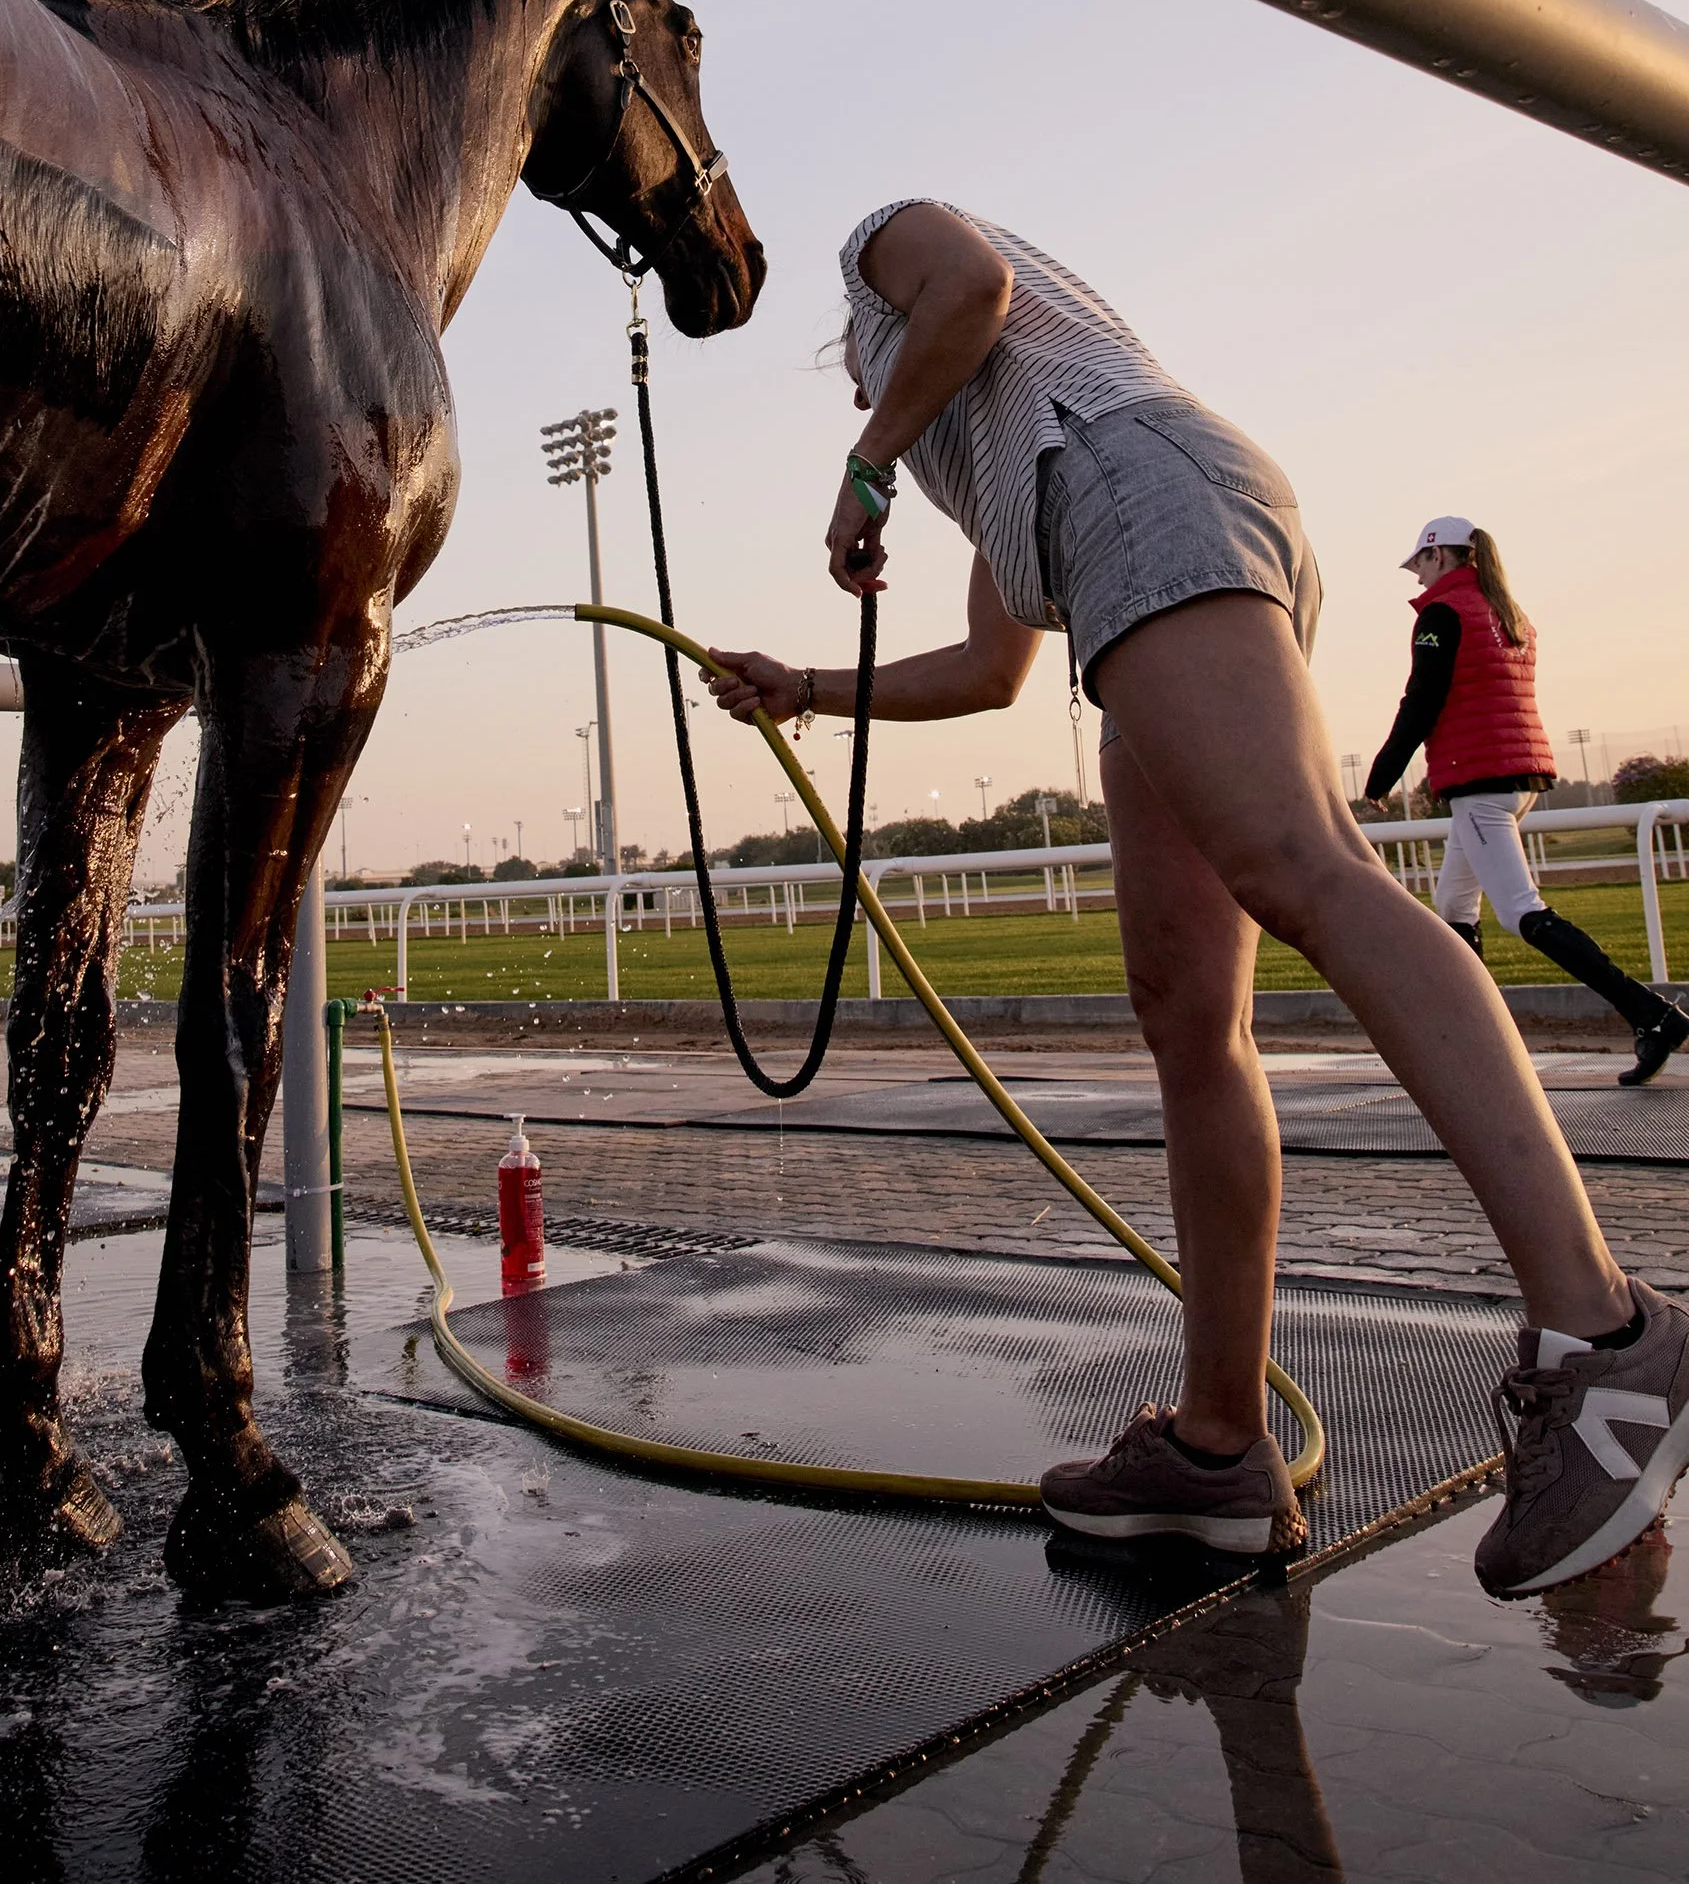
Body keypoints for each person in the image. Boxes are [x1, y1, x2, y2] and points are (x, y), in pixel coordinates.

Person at [703, 198, 1689, 1595]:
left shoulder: (889, 250)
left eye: (866, 383)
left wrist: (861, 466)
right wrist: (803, 683)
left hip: (1148, 496)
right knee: (1187, 1009)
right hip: (1127, 540)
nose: (870, 396)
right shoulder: (980, 452)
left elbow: (968, 282)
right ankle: (1217, 1446)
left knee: (1308, 870)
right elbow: (991, 673)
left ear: (857, 350)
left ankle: (1603, 1332)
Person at [1366, 518, 1689, 1088]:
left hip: (1480, 785)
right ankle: (1475, 1042)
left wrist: (1380, 778)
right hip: (1520, 780)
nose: (1414, 575)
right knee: (1454, 910)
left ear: (1439, 555)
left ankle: (1651, 1014)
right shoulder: (1507, 613)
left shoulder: (1441, 616)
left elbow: (1421, 701)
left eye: (1418, 562)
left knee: (1520, 912)